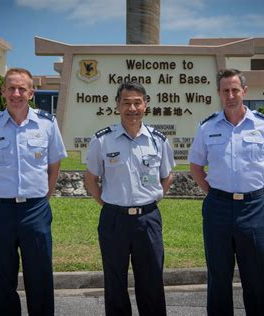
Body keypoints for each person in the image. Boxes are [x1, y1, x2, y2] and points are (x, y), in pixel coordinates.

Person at [188, 69, 264, 316]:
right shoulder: (207, 127)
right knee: (219, 275)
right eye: (225, 90)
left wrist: (258, 194)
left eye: (235, 89)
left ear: (244, 91)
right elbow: (196, 166)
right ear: (219, 93)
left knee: (256, 276)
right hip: (217, 208)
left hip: (253, 208)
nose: (230, 95)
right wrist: (213, 193)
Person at [0, 68, 67, 315]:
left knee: (40, 278)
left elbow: (54, 166)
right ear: (3, 91)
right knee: (3, 279)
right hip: (0, 210)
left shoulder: (47, 123)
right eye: (11, 88)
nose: (16, 93)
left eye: (22, 89)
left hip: (35, 210)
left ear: (31, 92)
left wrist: (42, 196)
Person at [84, 81, 175, 316]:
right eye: (126, 103)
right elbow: (91, 178)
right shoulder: (102, 140)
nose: (132, 108)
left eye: (137, 103)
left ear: (146, 105)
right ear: (117, 106)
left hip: (148, 220)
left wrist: (151, 199)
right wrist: (108, 204)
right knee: (115, 283)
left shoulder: (158, 140)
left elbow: (167, 176)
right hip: (114, 220)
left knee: (152, 281)